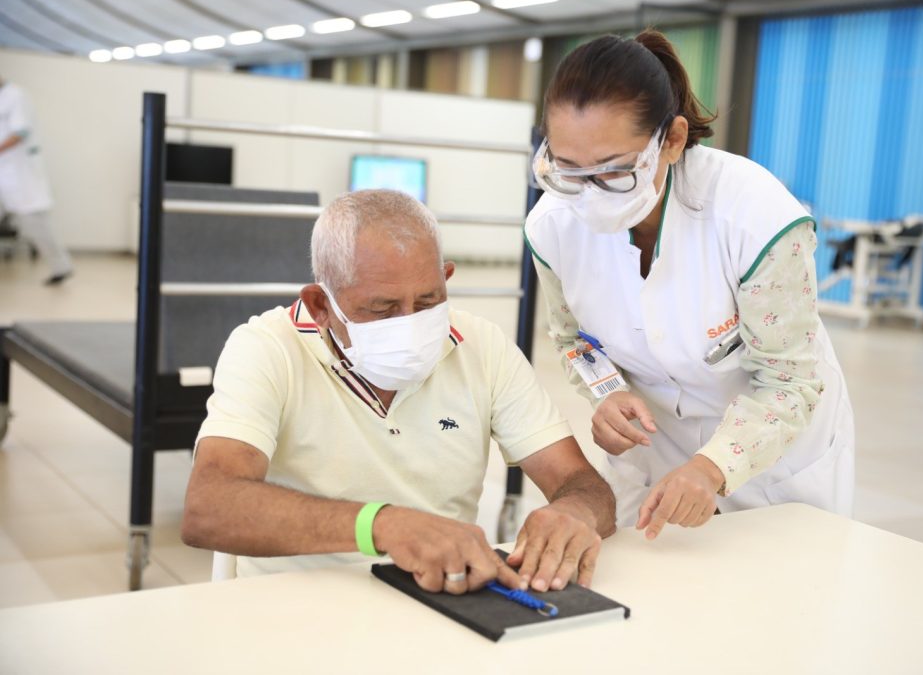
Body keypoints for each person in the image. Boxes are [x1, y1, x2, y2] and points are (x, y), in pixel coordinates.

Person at [182, 190, 616, 595]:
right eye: (382, 309)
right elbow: (210, 505)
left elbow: (583, 486)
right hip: (296, 605)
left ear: (446, 279)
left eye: (428, 302)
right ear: (320, 306)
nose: (409, 324)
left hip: (439, 603)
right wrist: (381, 525)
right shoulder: (268, 348)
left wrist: (575, 512)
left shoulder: (482, 347)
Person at [524, 30, 854, 538]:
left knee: (783, 592)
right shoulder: (552, 227)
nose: (587, 195)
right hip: (655, 444)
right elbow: (574, 343)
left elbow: (790, 381)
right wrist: (606, 393)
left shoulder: (754, 217)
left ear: (672, 140)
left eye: (614, 172)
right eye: (568, 170)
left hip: (774, 454)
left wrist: (711, 468)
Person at [0, 78, 72, 285]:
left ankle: (61, 267)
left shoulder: (16, 96)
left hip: (19, 170)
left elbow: (20, 132)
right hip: (5, 169)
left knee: (37, 221)